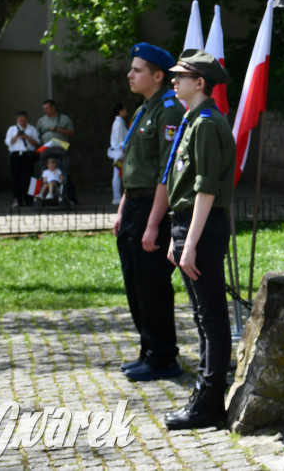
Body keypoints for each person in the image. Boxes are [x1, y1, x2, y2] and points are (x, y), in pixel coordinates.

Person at [163, 49, 235, 430]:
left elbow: (206, 189)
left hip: (201, 226)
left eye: (180, 76)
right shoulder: (193, 121)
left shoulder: (206, 124)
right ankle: (205, 393)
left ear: (200, 83)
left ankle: (209, 401)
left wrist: (189, 242)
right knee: (202, 316)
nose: (174, 81)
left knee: (211, 317)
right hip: (189, 224)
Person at [114, 43, 184, 383]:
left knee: (152, 284)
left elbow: (165, 172)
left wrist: (153, 223)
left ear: (158, 76)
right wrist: (122, 210)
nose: (130, 74)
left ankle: (163, 356)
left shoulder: (168, 111)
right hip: (135, 204)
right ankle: (148, 349)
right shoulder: (146, 108)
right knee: (135, 284)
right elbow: (133, 168)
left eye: (137, 69)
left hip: (151, 207)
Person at [36, 99, 78, 204]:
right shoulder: (41, 120)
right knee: (42, 173)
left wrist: (58, 130)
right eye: (43, 109)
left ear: (53, 107)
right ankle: (39, 196)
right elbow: (37, 135)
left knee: (65, 173)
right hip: (46, 151)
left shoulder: (64, 119)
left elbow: (71, 132)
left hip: (61, 151)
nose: (45, 111)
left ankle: (71, 198)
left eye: (47, 108)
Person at [5, 111, 40, 207]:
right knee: (15, 178)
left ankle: (29, 200)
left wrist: (27, 137)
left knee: (27, 177)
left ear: (26, 119)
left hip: (27, 155)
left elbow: (37, 143)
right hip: (15, 154)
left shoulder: (31, 129)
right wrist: (16, 135)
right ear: (17, 120)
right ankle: (17, 199)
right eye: (20, 120)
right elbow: (8, 142)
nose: (22, 122)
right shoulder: (12, 129)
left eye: (24, 120)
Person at [108, 103, 129, 205]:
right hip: (119, 152)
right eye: (124, 109)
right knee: (117, 175)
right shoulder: (118, 123)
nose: (126, 111)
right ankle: (116, 197)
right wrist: (121, 152)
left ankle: (118, 196)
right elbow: (118, 141)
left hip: (120, 151)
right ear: (120, 111)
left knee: (119, 174)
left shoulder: (120, 123)